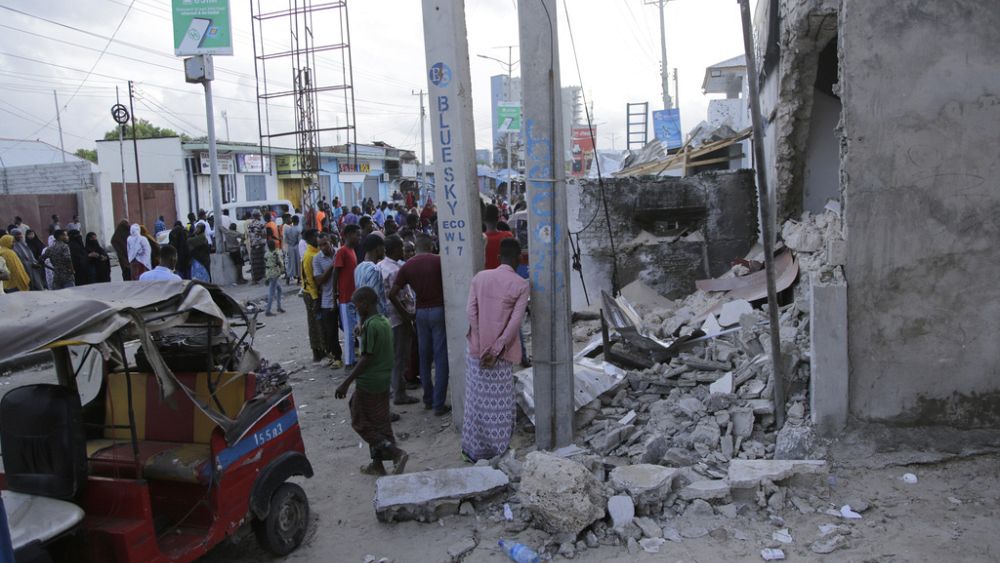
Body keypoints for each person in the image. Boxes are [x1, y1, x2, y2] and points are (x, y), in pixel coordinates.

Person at [462, 239, 530, 461]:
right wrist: (496, 348)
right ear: (519, 258)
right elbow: (514, 324)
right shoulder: (521, 284)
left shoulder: (479, 278)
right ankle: (497, 452)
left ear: (498, 257)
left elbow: (471, 313)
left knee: (475, 402)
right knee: (500, 407)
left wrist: (483, 346)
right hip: (500, 357)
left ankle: (472, 451)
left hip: (476, 353)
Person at [334, 286, 409, 476]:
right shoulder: (383, 321)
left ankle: (395, 453)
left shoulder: (370, 326)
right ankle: (377, 463)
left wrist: (347, 382)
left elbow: (366, 357)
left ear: (365, 304)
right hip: (383, 379)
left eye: (357, 305)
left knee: (359, 419)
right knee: (379, 421)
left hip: (370, 382)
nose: (355, 308)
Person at [390, 234, 450, 415]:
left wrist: (407, 314)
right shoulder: (439, 261)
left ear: (416, 248)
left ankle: (428, 399)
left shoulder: (408, 266)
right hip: (439, 310)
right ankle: (439, 403)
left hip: (420, 313)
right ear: (431, 247)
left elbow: (392, 294)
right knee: (440, 358)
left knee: (424, 357)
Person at [378, 235, 420, 405]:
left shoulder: (381, 265)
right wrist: (408, 318)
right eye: (402, 247)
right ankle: (400, 394)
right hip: (398, 318)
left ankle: (395, 390)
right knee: (400, 357)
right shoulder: (395, 270)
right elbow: (397, 296)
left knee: (394, 356)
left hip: (389, 317)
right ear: (395, 249)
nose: (404, 250)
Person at [312, 233, 345, 368]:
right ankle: (337, 357)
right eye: (320, 245)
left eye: (325, 244)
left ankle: (354, 350)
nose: (323, 247)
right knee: (331, 331)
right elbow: (319, 280)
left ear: (331, 242)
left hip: (343, 297)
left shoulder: (340, 252)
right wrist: (333, 265)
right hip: (327, 299)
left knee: (347, 326)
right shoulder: (317, 259)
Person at [300, 229, 329, 364]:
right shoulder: (309, 256)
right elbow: (309, 279)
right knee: (315, 324)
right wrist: (315, 298)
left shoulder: (315, 252)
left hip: (316, 293)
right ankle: (317, 352)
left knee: (320, 323)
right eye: (316, 236)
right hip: (312, 294)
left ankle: (322, 350)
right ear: (310, 238)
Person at [334, 225, 361, 367]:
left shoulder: (352, 251)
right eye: (357, 235)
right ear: (349, 235)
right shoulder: (342, 252)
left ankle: (357, 359)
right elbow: (335, 273)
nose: (359, 238)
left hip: (354, 297)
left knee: (357, 329)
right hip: (345, 298)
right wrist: (335, 295)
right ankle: (349, 361)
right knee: (349, 332)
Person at [483, 204, 514, 270]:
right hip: (504, 278)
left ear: (483, 219)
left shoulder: (480, 240)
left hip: (485, 278)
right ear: (498, 218)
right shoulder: (508, 236)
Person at [264, 239, 286, 316]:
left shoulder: (266, 254)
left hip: (269, 273)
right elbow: (280, 262)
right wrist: (283, 270)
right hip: (274, 274)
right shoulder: (276, 253)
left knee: (279, 290)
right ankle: (268, 310)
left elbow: (266, 265)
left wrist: (266, 277)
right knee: (271, 292)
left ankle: (279, 307)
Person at [247, 210, 267, 284]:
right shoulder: (261, 224)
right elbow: (264, 234)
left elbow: (249, 234)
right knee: (262, 262)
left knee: (254, 263)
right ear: (258, 216)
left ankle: (254, 279)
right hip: (260, 245)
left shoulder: (250, 224)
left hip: (253, 245)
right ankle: (263, 277)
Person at [282, 215, 301, 284]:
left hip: (290, 248)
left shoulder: (288, 229)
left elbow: (286, 239)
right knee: (298, 264)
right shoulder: (299, 229)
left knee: (290, 264)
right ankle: (299, 280)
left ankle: (288, 280)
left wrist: (290, 244)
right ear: (298, 221)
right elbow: (299, 241)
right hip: (297, 248)